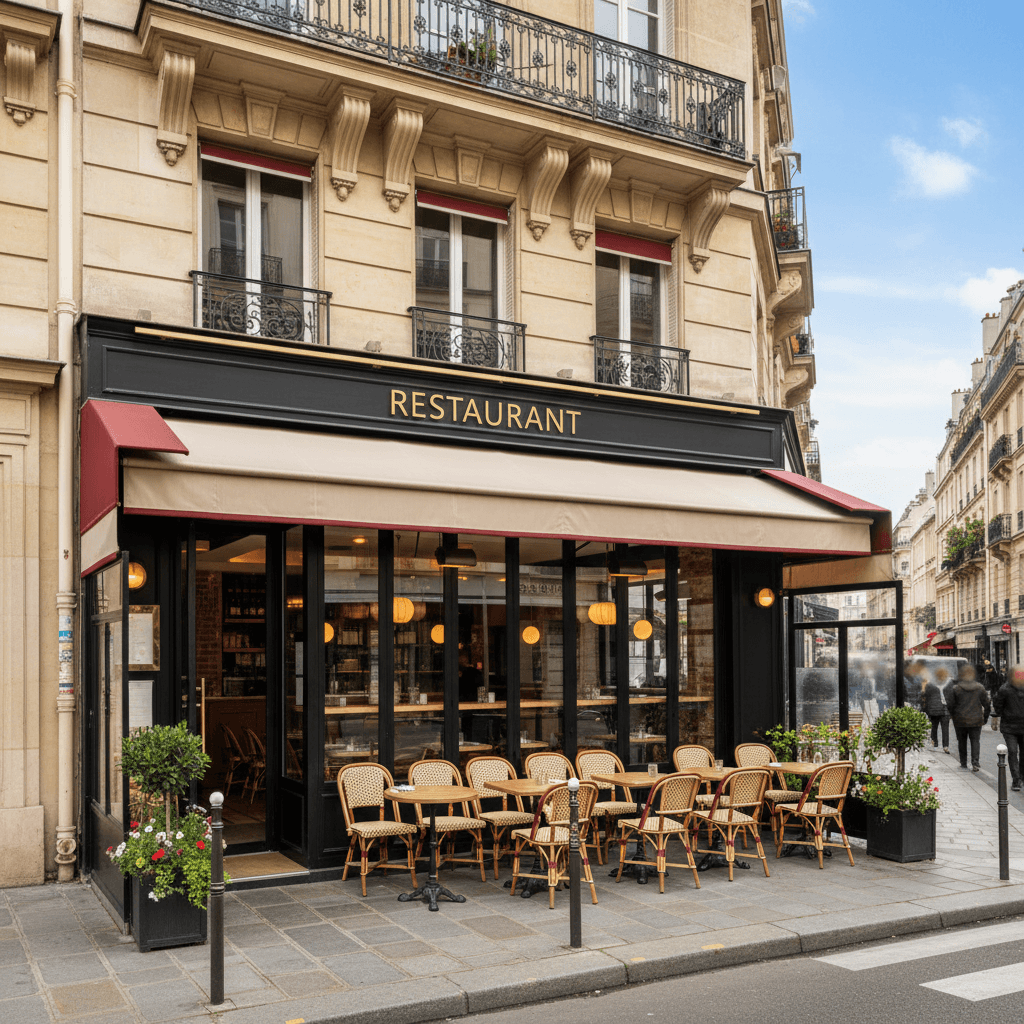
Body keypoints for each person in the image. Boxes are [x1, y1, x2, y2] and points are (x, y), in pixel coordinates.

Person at [945, 663, 992, 772]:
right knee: (975, 741)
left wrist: (953, 715)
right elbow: (987, 704)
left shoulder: (956, 688)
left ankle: (963, 762)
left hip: (960, 719)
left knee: (962, 741)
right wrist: (985, 718)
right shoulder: (980, 687)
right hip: (976, 719)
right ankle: (975, 762)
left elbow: (950, 704)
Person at [993, 666, 1024, 791]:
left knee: (1012, 752)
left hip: (1009, 726)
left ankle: (1017, 779)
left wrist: (1000, 714)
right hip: (1013, 726)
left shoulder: (1004, 689)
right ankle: (1019, 777)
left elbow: (998, 707)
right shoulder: (1004, 689)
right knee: (1018, 752)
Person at [920, 665, 951, 753]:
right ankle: (945, 746)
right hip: (945, 709)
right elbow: (951, 696)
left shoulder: (930, 684)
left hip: (933, 710)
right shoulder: (948, 683)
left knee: (934, 727)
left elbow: (925, 696)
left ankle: (935, 744)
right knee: (945, 729)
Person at [982, 658, 1003, 730]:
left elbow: (988, 683)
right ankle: (994, 724)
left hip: (991, 690)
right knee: (993, 707)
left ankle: (991, 723)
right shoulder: (994, 672)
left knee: (990, 706)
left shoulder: (987, 673)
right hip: (993, 690)